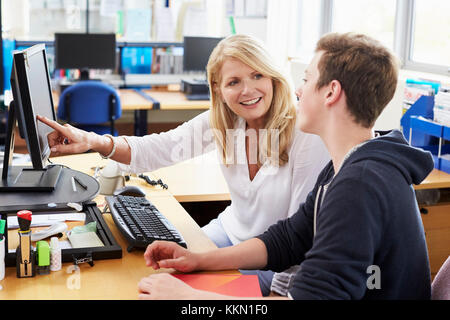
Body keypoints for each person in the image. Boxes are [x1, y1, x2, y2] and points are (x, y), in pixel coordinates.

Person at [137, 32, 434, 300]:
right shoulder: (343, 168)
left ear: (330, 92)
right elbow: (287, 240)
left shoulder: (359, 186)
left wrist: (189, 299)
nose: (298, 91)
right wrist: (200, 259)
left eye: (306, 79)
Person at [37, 34, 330, 296]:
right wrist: (92, 141)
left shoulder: (305, 133)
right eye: (233, 82)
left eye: (257, 75)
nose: (247, 90)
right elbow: (158, 148)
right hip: (227, 234)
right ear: (218, 88)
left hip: (272, 262)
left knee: (171, 292)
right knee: (145, 278)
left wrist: (266, 291)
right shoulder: (225, 120)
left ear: (272, 77)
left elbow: (297, 238)